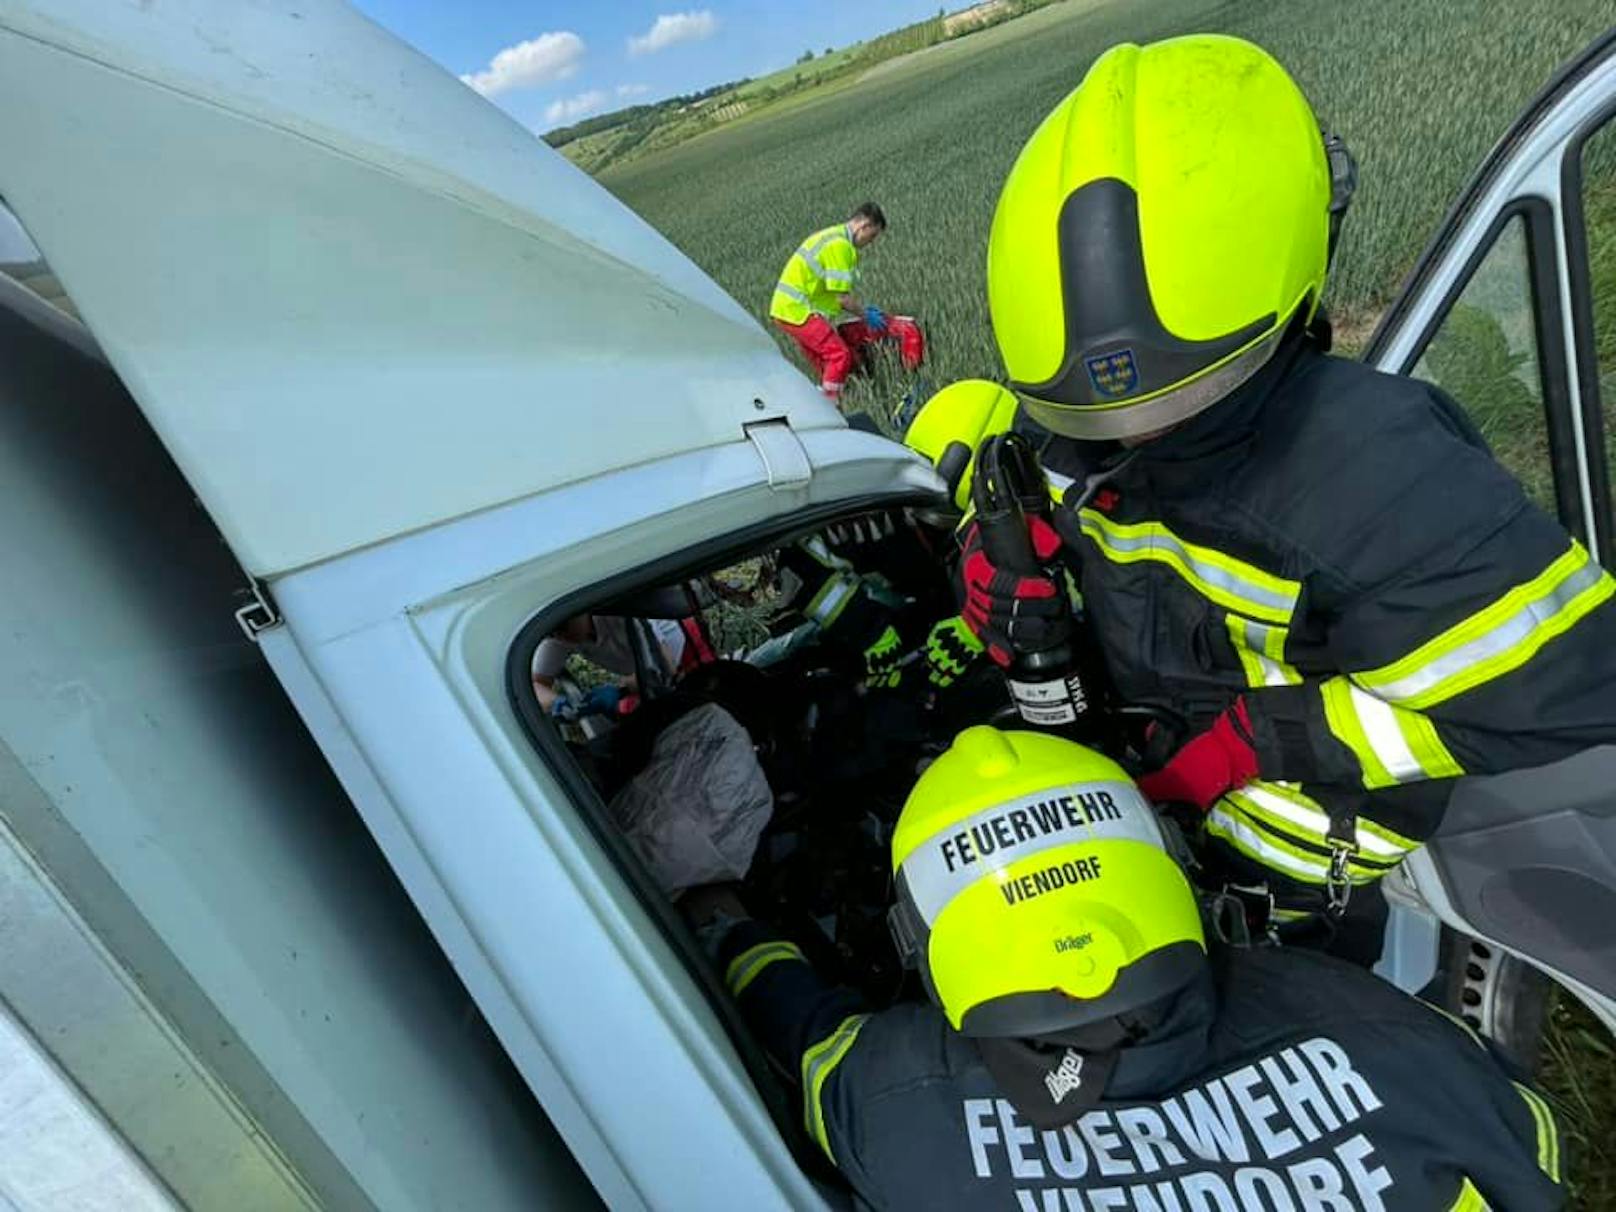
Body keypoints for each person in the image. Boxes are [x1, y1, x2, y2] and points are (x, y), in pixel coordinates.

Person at [949, 34, 1616, 960]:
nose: (1128, 441)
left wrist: (1266, 741)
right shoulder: (1064, 433)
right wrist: (989, 569)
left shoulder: (1377, 482)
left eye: (1159, 417)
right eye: (1102, 424)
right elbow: (1038, 494)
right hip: (1137, 815)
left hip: (1295, 877)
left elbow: (1568, 687)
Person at [690, 727, 1563, 1210]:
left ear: (920, 940)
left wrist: (722, 920)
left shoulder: (894, 1104)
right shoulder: (1387, 1037)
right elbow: (1529, 1150)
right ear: (1165, 865)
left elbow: (804, 1028)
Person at [770, 204, 920, 402]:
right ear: (863, 226)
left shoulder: (831, 237)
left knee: (825, 364)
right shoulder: (840, 246)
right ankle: (832, 407)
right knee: (839, 355)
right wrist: (866, 316)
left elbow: (830, 293)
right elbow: (842, 298)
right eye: (872, 236)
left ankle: (833, 401)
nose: (871, 242)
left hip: (786, 310)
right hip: (798, 311)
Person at [531, 613, 685, 719]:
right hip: (647, 683)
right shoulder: (559, 640)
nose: (559, 636)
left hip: (685, 658)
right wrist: (560, 703)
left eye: (562, 627)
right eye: (551, 633)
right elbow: (534, 685)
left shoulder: (618, 612)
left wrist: (620, 691)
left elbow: (664, 667)